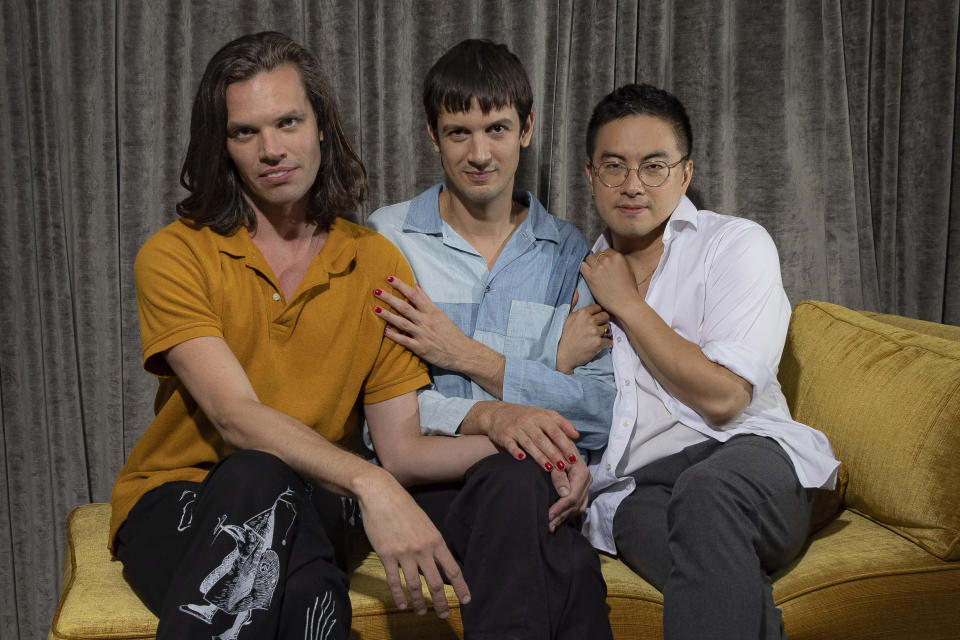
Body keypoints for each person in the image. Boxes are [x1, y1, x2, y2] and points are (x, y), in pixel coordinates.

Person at [109, 31, 500, 640]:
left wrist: (520, 433)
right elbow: (236, 418)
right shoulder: (175, 254)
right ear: (224, 145)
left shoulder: (374, 263)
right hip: (178, 496)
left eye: (288, 122)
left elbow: (401, 451)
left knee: (281, 507)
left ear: (322, 127)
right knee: (279, 528)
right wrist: (371, 483)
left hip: (318, 499)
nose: (271, 149)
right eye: (245, 132)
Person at [562, 83, 840, 639]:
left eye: (654, 166)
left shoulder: (734, 245)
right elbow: (562, 403)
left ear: (685, 174)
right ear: (590, 175)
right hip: (638, 490)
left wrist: (627, 305)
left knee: (706, 494)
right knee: (710, 576)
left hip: (747, 457)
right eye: (614, 167)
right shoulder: (574, 272)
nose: (633, 185)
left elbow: (724, 397)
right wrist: (560, 361)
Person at [365, 39, 615, 639]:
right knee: (563, 551)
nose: (480, 153)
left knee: (529, 496)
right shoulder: (388, 241)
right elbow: (389, 414)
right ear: (433, 136)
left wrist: (460, 355)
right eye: (459, 132)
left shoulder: (569, 253)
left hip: (534, 486)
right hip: (433, 487)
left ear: (526, 129)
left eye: (497, 128)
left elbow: (603, 412)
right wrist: (520, 395)